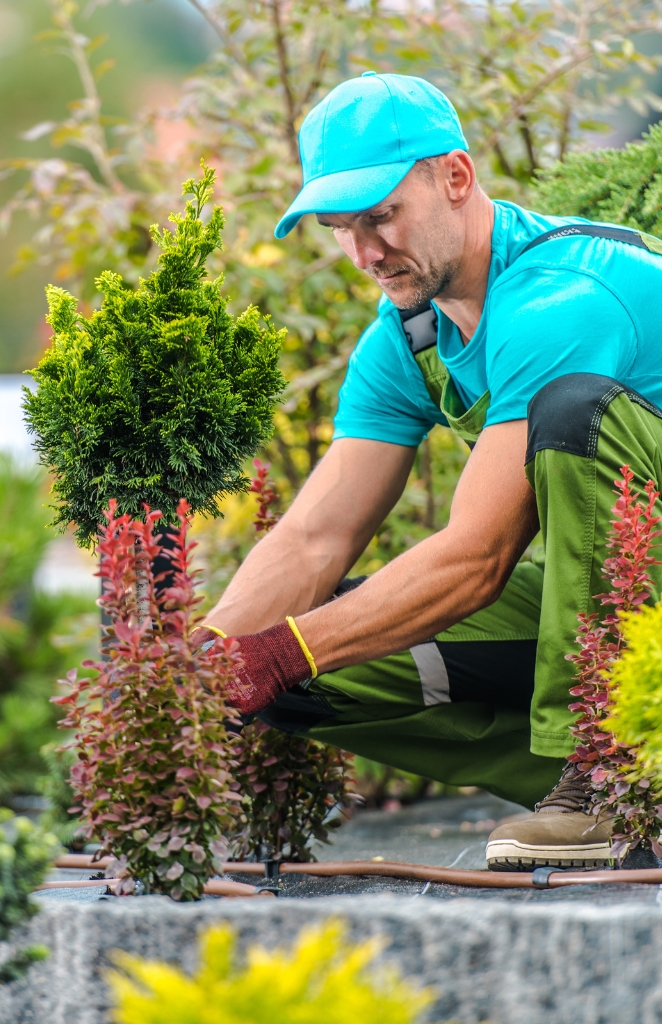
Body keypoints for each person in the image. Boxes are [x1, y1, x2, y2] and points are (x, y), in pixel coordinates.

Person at [194, 72, 662, 870]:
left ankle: (607, 781)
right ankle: (632, 790)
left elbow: (475, 559)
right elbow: (314, 538)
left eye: (382, 216)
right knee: (309, 669)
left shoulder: (564, 298)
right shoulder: (409, 337)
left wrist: (280, 649)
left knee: (573, 409)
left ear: (455, 178)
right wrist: (197, 673)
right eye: (342, 227)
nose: (366, 252)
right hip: (622, 611)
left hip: (641, 599)